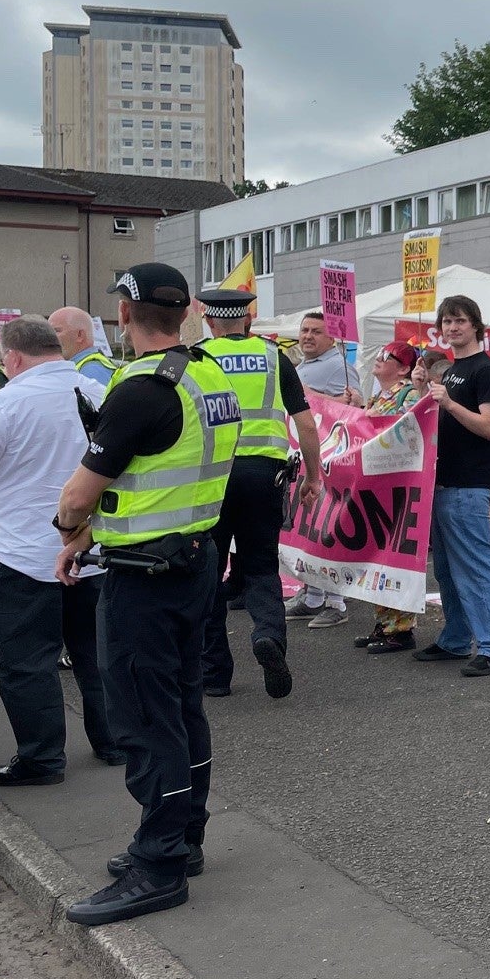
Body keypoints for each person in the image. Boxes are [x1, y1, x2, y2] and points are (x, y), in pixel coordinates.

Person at [49, 264, 241, 927]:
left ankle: (158, 861)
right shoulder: (210, 375)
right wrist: (90, 535)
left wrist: (70, 529)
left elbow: (79, 492)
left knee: (144, 718)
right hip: (194, 559)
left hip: (145, 577)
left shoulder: (138, 388)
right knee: (183, 706)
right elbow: (165, 477)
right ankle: (184, 837)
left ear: (124, 316)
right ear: (187, 309)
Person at [0, 317, 121, 783]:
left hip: (21, 552)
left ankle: (43, 758)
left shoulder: (5, 404)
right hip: (89, 548)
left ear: (14, 357)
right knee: (95, 653)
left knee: (26, 661)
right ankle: (114, 742)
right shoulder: (97, 391)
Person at [198, 286, 323, 696]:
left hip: (211, 477)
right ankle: (268, 636)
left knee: (209, 574)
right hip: (264, 474)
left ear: (210, 319)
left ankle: (214, 674)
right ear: (246, 318)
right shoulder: (274, 356)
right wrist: (313, 477)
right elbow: (306, 423)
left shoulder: (199, 356)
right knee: (261, 566)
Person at [414, 294, 490, 676]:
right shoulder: (450, 369)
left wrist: (450, 403)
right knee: (448, 572)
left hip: (468, 485)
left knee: (475, 567)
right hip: (441, 482)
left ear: (475, 325)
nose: (452, 328)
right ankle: (456, 638)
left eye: (459, 321)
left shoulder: (486, 371)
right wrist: (423, 390)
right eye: (446, 323)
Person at [354, 341, 432, 655]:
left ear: (402, 367)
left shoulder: (408, 394)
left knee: (394, 558)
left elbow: (411, 431)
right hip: (378, 485)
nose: (379, 357)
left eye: (387, 355)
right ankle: (384, 622)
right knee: (377, 557)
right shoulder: (379, 395)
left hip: (400, 486)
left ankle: (400, 628)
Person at [285, 311, 352, 627]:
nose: (308, 336)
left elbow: (351, 407)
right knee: (308, 529)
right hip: (304, 458)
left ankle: (336, 602)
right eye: (304, 330)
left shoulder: (338, 365)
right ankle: (312, 596)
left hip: (329, 462)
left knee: (327, 529)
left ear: (332, 337)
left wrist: (311, 396)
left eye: (315, 331)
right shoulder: (302, 366)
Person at [50, 306, 118, 384]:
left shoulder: (92, 370)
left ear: (80, 335)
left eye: (56, 331)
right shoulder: (83, 367)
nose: (50, 337)